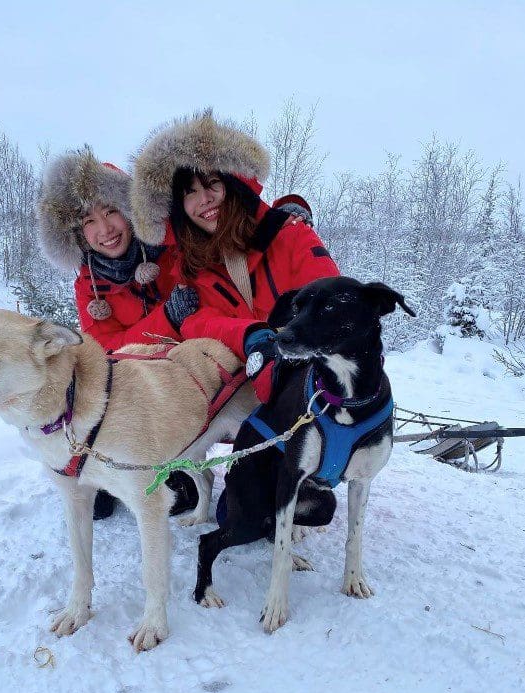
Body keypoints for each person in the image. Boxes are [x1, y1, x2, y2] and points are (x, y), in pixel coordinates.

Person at [130, 111, 341, 401]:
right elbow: (196, 322)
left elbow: (330, 301)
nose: (204, 199)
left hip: (317, 387)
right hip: (247, 399)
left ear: (234, 184)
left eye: (212, 183)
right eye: (189, 192)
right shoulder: (191, 271)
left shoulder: (290, 235)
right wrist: (250, 335)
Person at [37, 146, 200, 519]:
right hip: (129, 384)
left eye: (111, 211)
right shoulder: (87, 283)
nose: (105, 230)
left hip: (179, 383)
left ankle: (167, 460)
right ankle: (101, 462)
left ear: (130, 212)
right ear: (77, 234)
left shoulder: (171, 252)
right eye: (88, 221)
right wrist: (166, 318)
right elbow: (105, 347)